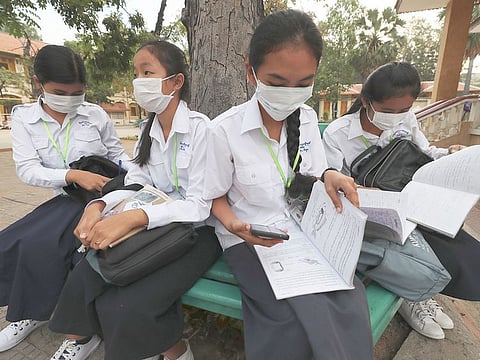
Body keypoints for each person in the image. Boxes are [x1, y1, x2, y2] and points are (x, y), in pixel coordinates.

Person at [203, 10, 373, 359]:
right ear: (251, 72)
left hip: (306, 229)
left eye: (303, 83)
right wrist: (235, 224)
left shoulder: (307, 118)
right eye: (277, 83)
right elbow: (214, 197)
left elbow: (312, 173)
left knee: (346, 299)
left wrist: (331, 176)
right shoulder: (224, 131)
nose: (290, 94)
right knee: (285, 319)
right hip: (249, 237)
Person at [48, 40, 222, 360]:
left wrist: (135, 218)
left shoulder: (202, 131)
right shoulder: (148, 129)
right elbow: (137, 181)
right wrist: (98, 207)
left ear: (175, 81)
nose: (138, 81)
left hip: (197, 233)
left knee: (127, 304)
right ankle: (82, 339)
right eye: (136, 73)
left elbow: (200, 206)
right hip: (153, 226)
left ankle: (178, 354)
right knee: (83, 278)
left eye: (147, 72)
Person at [322, 61, 480, 340]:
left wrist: (450, 154)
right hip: (367, 211)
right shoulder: (338, 134)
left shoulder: (408, 120)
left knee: (460, 246)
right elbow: (332, 182)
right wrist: (363, 192)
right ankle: (412, 296)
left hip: (410, 197)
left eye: (404, 110)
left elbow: (425, 153)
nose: (397, 117)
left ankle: (422, 293)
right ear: (366, 102)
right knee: (412, 248)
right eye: (387, 111)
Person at [0, 45, 132, 352]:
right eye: (60, 91)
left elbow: (117, 155)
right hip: (66, 199)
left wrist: (139, 177)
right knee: (18, 242)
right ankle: (31, 312)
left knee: (62, 249)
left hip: (102, 198)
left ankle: (80, 336)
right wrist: (71, 176)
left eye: (78, 92)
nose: (70, 99)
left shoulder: (94, 114)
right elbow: (28, 169)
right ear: (38, 83)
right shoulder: (24, 119)